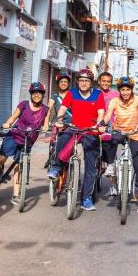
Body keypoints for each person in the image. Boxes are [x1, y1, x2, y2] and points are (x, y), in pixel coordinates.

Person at [49, 68, 105, 211]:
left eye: (87, 80)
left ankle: (86, 198)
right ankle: (56, 167)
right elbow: (62, 108)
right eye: (81, 80)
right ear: (77, 81)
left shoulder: (98, 95)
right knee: (62, 137)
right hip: (74, 128)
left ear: (91, 82)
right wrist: (59, 120)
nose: (84, 83)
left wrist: (99, 124)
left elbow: (101, 113)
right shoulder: (72, 93)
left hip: (90, 131)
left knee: (91, 167)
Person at [0, 82, 49, 205]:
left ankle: (16, 195)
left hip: (28, 140)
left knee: (20, 165)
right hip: (15, 135)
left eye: (39, 93)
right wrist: (7, 124)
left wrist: (45, 127)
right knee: (0, 160)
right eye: (34, 93)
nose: (37, 95)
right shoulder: (23, 105)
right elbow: (13, 117)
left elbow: (46, 123)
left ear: (43, 95)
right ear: (31, 94)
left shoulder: (45, 109)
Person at [102, 76, 138, 213]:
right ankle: (111, 165)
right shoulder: (115, 101)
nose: (125, 92)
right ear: (119, 90)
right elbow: (108, 115)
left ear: (131, 90)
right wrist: (101, 123)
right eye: (122, 90)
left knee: (137, 165)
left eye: (127, 89)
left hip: (135, 133)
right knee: (109, 139)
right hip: (119, 131)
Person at [98, 71, 120, 195]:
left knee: (111, 160)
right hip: (96, 127)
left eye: (108, 81)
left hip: (111, 128)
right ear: (99, 82)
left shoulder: (116, 94)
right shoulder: (94, 93)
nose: (106, 83)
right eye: (103, 81)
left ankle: (113, 186)